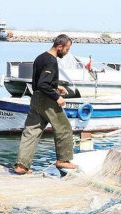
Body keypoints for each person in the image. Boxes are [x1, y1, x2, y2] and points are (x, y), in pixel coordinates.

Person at [14, 34, 77, 174]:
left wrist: (56, 86)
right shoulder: (51, 61)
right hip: (47, 100)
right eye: (67, 49)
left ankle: (21, 166)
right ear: (59, 46)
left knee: (31, 131)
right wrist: (57, 96)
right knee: (64, 128)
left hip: (36, 98)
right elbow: (43, 83)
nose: (67, 53)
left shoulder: (40, 57)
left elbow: (39, 82)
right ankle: (63, 160)